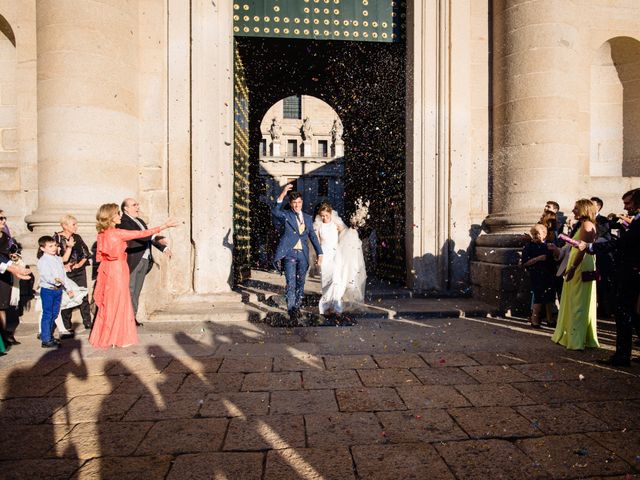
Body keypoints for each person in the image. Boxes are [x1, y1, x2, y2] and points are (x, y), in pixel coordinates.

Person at [89, 204, 177, 349]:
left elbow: (100, 257)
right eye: (117, 214)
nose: (119, 216)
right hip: (118, 268)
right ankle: (118, 337)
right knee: (120, 301)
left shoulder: (102, 234)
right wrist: (165, 226)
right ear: (110, 217)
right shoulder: (117, 233)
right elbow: (141, 234)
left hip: (108, 269)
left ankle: (108, 336)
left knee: (109, 302)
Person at [578, 188, 640, 367]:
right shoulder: (636, 221)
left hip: (631, 273)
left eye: (628, 203)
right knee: (631, 314)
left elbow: (621, 243)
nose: (625, 207)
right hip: (630, 272)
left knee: (623, 312)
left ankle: (622, 356)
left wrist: (590, 248)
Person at [551, 199, 599, 350]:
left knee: (578, 302)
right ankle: (574, 335)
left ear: (584, 209)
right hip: (578, 263)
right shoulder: (583, 224)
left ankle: (577, 339)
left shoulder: (587, 225)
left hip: (580, 265)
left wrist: (572, 268)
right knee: (575, 299)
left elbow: (583, 250)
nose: (573, 211)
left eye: (576, 208)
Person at [272, 184, 323, 323]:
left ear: (302, 203)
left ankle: (297, 307)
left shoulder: (307, 217)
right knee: (291, 283)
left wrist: (320, 253)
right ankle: (291, 310)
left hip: (303, 255)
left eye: (299, 202)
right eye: (294, 203)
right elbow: (275, 211)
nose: (296, 205)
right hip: (289, 254)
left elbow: (312, 236)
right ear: (291, 203)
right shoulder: (286, 215)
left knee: (301, 283)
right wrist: (282, 194)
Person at [118, 198, 171, 326]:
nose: (137, 207)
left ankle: (132, 317)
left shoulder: (140, 221)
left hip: (145, 259)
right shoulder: (124, 222)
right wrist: (158, 231)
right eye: (134, 205)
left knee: (137, 290)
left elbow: (149, 237)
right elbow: (141, 235)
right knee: (130, 290)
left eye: (137, 204)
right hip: (133, 260)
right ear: (126, 208)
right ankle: (126, 319)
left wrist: (163, 248)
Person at [54, 215, 92, 331]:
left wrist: (80, 264)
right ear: (65, 226)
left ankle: (87, 321)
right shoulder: (57, 239)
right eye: (73, 224)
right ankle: (67, 324)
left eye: (76, 224)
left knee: (83, 295)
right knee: (66, 298)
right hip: (65, 273)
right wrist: (64, 265)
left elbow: (86, 253)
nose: (76, 226)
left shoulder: (77, 237)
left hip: (79, 271)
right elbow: (52, 256)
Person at [37, 235, 74, 349]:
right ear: (43, 248)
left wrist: (68, 288)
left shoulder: (58, 259)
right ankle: (46, 339)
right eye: (50, 246)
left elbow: (63, 275)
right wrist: (55, 281)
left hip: (58, 291)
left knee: (54, 313)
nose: (54, 248)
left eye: (55, 245)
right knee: (47, 314)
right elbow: (45, 276)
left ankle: (48, 335)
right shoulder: (43, 261)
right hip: (48, 290)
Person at [520, 224, 556, 328]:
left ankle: (550, 320)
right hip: (536, 275)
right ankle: (534, 320)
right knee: (538, 297)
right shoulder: (529, 246)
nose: (535, 236)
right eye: (534, 234)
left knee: (550, 298)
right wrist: (538, 258)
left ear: (544, 235)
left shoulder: (549, 246)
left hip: (548, 274)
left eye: (538, 234)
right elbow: (525, 263)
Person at [589, 196, 615, 319]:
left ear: (598, 206)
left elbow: (602, 237)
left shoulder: (603, 220)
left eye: (591, 204)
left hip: (602, 257)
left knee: (603, 284)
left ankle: (605, 310)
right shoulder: (584, 220)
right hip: (589, 257)